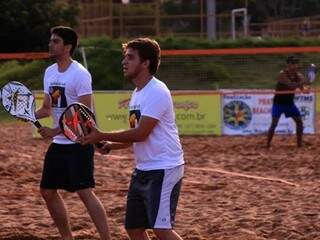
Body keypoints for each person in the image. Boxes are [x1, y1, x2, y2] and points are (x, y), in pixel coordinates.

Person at [80, 38, 185, 240]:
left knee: (162, 229)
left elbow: (140, 134)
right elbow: (134, 138)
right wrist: (110, 145)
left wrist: (101, 134)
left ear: (145, 63)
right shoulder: (137, 93)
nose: (124, 62)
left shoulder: (157, 91)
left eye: (130, 57)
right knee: (134, 229)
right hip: (144, 169)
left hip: (164, 167)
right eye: (124, 57)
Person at [35, 26, 111, 240]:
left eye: (56, 41)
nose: (50, 44)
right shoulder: (50, 72)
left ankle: (106, 238)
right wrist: (29, 113)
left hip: (79, 141)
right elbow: (47, 108)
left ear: (67, 47)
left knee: (85, 192)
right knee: (47, 191)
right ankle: (67, 237)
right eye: (51, 40)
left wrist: (54, 130)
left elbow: (85, 113)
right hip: (59, 143)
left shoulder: (79, 74)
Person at [266, 55, 310, 148]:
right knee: (274, 124)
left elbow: (302, 89)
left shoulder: (299, 76)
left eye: (296, 63)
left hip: (289, 104)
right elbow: (291, 86)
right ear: (288, 64)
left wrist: (306, 89)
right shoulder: (282, 74)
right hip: (278, 103)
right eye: (293, 63)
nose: (295, 65)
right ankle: (267, 144)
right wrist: (303, 82)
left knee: (299, 122)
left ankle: (299, 145)